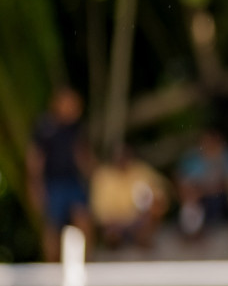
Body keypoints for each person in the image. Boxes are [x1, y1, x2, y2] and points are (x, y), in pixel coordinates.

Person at [26, 87, 94, 261]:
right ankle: (51, 271)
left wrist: (94, 175)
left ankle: (87, 267)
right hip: (52, 184)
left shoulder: (76, 127)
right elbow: (35, 160)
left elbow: (81, 154)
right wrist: (35, 187)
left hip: (73, 182)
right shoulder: (44, 127)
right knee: (52, 228)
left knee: (83, 220)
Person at [176, 128, 228, 237]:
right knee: (189, 194)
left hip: (225, 199)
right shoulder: (192, 160)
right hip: (203, 200)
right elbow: (182, 183)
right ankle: (193, 231)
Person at [90, 145, 169, 249]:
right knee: (112, 234)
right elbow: (99, 211)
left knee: (149, 220)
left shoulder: (141, 171)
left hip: (138, 221)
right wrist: (116, 222)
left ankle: (145, 252)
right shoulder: (103, 176)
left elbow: (161, 191)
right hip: (114, 224)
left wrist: (149, 210)